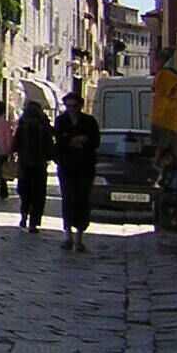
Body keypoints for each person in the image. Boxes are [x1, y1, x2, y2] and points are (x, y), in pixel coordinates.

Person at [52, 90, 101, 250]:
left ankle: (79, 236)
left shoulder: (89, 121)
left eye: (74, 106)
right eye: (68, 106)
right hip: (66, 166)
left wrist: (73, 141)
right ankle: (67, 235)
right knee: (68, 198)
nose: (71, 108)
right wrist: (75, 140)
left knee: (82, 199)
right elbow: (59, 141)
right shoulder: (61, 121)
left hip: (85, 166)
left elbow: (94, 141)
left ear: (80, 106)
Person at [13, 96, 55, 232]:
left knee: (24, 192)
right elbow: (50, 145)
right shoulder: (44, 126)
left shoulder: (22, 125)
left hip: (24, 163)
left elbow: (15, 145)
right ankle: (34, 222)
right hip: (40, 164)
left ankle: (24, 214)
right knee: (38, 193)